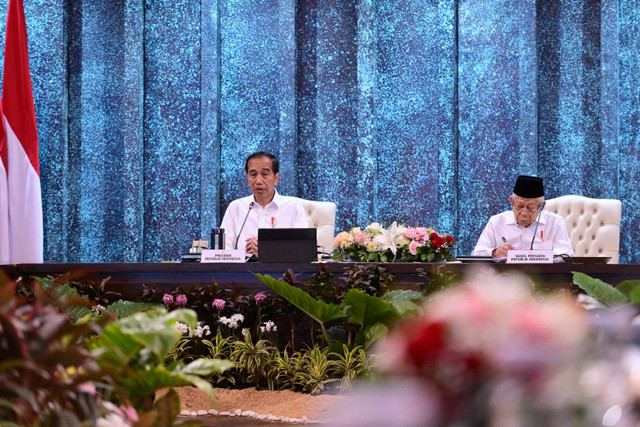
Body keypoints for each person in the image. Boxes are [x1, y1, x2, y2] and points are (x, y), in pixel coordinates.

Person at [220, 151, 308, 257]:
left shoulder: (293, 207)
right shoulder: (236, 207)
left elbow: (302, 251)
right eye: (253, 175)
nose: (258, 181)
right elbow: (224, 251)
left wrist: (267, 250)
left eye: (265, 174)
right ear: (247, 178)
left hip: (282, 272)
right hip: (244, 272)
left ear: (276, 178)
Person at [471, 175, 574, 258]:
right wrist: (495, 252)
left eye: (531, 208)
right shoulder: (497, 221)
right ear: (511, 201)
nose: (524, 213)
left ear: (542, 205)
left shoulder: (555, 222)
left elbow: (567, 254)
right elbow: (476, 253)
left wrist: (537, 257)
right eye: (519, 207)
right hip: (505, 278)